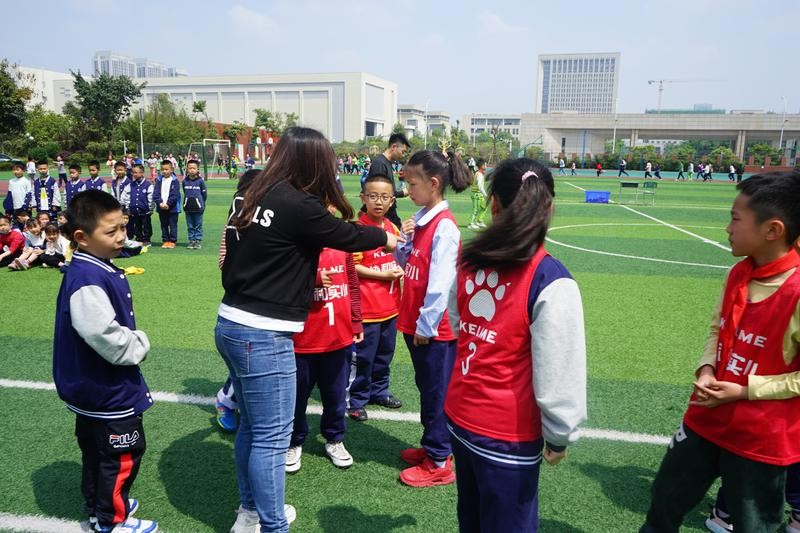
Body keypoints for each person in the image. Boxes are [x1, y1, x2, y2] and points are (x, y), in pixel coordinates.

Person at [215, 126, 397, 532]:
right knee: (271, 439)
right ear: (314, 163)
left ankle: (250, 514)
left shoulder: (251, 191)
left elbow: (231, 259)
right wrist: (391, 239)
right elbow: (347, 235)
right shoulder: (296, 203)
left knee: (252, 427)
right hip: (263, 334)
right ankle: (272, 524)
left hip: (230, 321)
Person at [639, 171, 800, 533]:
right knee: (664, 501)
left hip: (761, 436)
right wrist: (707, 369)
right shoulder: (738, 274)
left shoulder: (796, 290)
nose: (727, 227)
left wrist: (745, 390)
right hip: (706, 417)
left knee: (755, 523)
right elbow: (718, 328)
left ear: (772, 230)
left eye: (735, 219)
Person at [445, 158, 587, 532]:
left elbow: (459, 323)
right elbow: (559, 371)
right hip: (508, 434)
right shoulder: (550, 278)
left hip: (462, 416)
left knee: (472, 520)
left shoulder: (468, 260)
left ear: (494, 206)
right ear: (549, 208)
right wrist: (560, 434)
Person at [52, 189, 157, 533]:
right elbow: (104, 336)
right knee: (121, 455)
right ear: (82, 238)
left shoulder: (92, 265)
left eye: (122, 228)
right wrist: (138, 344)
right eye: (110, 232)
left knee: (97, 453)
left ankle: (101, 506)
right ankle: (112, 519)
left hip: (92, 389)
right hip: (106, 389)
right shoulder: (87, 277)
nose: (121, 237)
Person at [396, 149, 470, 488]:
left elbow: (440, 285)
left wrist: (426, 327)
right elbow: (410, 263)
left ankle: (439, 460)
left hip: (434, 332)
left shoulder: (445, 228)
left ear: (434, 183)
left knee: (435, 393)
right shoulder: (424, 220)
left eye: (412, 183)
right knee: (427, 388)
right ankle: (433, 446)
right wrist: (404, 242)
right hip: (416, 324)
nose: (407, 190)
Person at [286, 242, 362, 473]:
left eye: (328, 205)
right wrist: (313, 279)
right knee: (296, 397)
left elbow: (352, 284)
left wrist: (356, 319)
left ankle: (334, 438)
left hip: (338, 339)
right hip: (302, 341)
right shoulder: (293, 248)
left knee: (336, 395)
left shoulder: (342, 247)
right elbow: (282, 287)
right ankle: (294, 441)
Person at [347, 175, 405, 422]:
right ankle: (356, 399)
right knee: (363, 356)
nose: (378, 202)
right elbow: (353, 267)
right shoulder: (357, 230)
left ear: (392, 201)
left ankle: (379, 390)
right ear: (363, 198)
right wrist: (384, 276)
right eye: (373, 196)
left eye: (384, 197)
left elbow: (399, 258)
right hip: (368, 308)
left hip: (391, 307)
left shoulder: (392, 228)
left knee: (385, 353)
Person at [364, 133, 411, 228]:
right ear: (394, 147)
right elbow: (377, 192)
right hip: (385, 214)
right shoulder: (380, 164)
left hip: (389, 212)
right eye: (403, 151)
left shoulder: (386, 163)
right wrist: (403, 192)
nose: (403, 155)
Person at [152, 160, 181, 248]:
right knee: (163, 225)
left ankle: (172, 241)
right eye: (163, 169)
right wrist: (160, 203)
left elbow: (175, 194)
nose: (164, 171)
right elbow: (156, 193)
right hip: (161, 207)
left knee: (173, 225)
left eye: (166, 169)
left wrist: (168, 204)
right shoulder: (159, 180)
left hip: (173, 208)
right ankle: (165, 240)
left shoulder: (175, 180)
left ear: (171, 169)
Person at [125, 164, 154, 247]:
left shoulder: (148, 185)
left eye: (136, 172)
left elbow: (151, 198)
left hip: (145, 211)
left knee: (146, 226)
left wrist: (151, 208)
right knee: (137, 226)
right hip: (134, 211)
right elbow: (127, 197)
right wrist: (128, 208)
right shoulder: (130, 185)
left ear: (142, 173)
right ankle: (139, 239)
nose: (134, 174)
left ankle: (147, 240)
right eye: (133, 172)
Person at [182, 159, 207, 250]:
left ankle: (198, 240)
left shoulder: (200, 181)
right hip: (188, 208)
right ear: (187, 169)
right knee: (190, 225)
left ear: (197, 169)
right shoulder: (185, 181)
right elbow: (185, 193)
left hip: (198, 208)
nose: (192, 170)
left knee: (198, 225)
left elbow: (204, 195)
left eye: (194, 168)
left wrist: (201, 203)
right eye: (190, 168)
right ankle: (191, 240)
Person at [468, 159, 489, 230]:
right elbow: (480, 186)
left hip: (478, 194)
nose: (486, 166)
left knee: (484, 207)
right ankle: (471, 224)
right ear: (482, 166)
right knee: (476, 209)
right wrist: (485, 195)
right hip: (476, 194)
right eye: (485, 165)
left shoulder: (479, 173)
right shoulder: (479, 174)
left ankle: (479, 221)